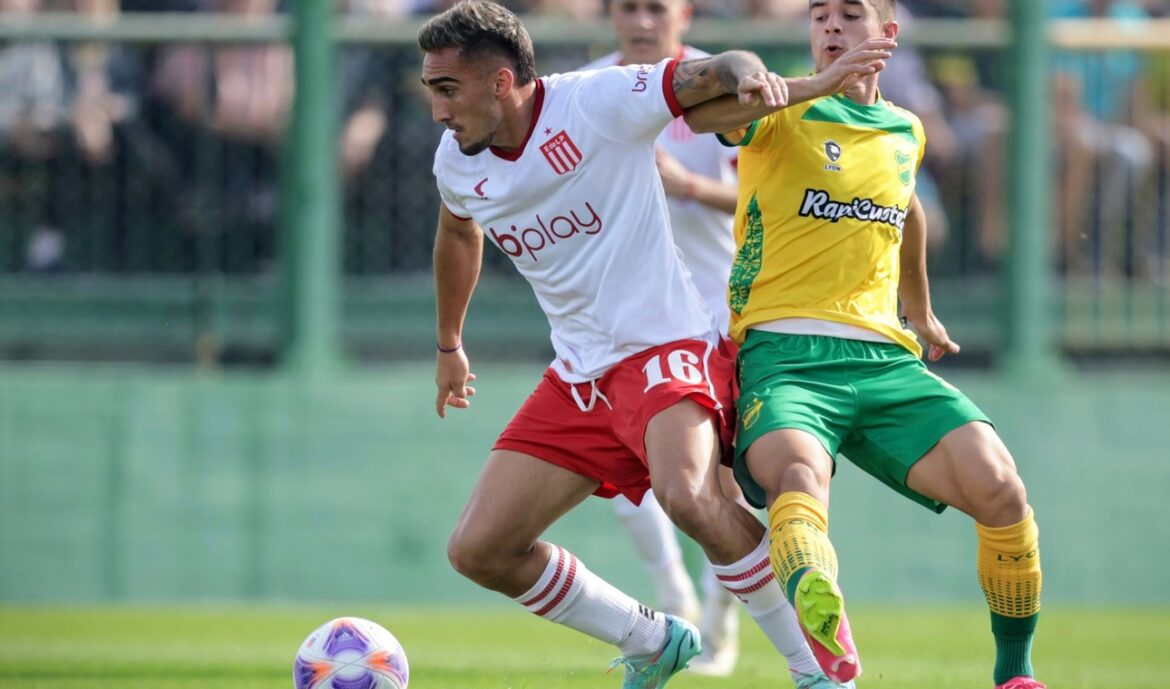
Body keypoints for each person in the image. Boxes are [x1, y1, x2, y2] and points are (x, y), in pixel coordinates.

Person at [421, 1, 880, 686]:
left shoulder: (596, 101)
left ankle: (821, 668)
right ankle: (653, 638)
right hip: (581, 373)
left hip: (666, 343)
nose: (437, 111)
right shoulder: (457, 162)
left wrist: (752, 74)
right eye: (431, 91)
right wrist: (449, 343)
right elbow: (459, 233)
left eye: (447, 90)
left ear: (499, 82)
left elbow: (712, 74)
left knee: (690, 496)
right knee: (479, 549)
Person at [684, 1, 1045, 688]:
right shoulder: (780, 104)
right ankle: (822, 614)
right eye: (819, 16)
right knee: (796, 479)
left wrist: (921, 309)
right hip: (785, 354)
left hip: (882, 359)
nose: (830, 28)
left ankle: (1016, 673)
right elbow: (705, 117)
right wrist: (818, 83)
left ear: (888, 35)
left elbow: (905, 206)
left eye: (850, 15)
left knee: (1001, 488)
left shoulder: (905, 129)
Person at [576, 0, 747, 677]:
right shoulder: (583, 92)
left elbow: (768, 196)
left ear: (685, 11)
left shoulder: (719, 86)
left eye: (657, 6)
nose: (642, 21)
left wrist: (689, 187)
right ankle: (674, 594)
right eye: (628, 7)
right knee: (620, 476)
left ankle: (722, 618)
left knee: (723, 485)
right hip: (623, 315)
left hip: (715, 309)